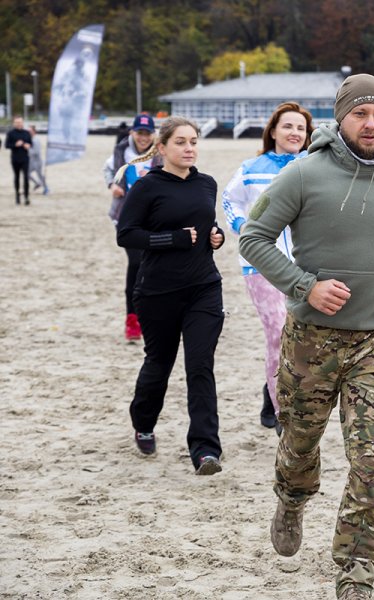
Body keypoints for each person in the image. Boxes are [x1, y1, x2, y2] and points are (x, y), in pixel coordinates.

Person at [239, 74, 374, 600]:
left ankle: (355, 576)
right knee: (300, 445)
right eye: (360, 114)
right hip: (310, 342)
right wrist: (304, 285)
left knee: (370, 462)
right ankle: (291, 498)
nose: (370, 124)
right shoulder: (305, 174)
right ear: (340, 118)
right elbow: (253, 237)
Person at [116, 116, 226, 476]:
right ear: (161, 148)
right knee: (159, 365)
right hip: (158, 292)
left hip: (203, 288)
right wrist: (172, 239)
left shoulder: (207, 184)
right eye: (180, 142)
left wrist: (216, 236)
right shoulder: (147, 187)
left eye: (193, 141)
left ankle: (206, 450)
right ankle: (144, 423)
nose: (189, 147)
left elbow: (206, 225)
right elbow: (127, 234)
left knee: (200, 366)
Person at [222, 101, 313, 432]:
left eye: (301, 128)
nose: (294, 132)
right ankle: (282, 412)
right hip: (260, 265)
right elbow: (229, 199)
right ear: (273, 130)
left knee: (303, 337)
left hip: (307, 265)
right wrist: (243, 227)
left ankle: (271, 391)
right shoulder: (251, 167)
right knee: (278, 332)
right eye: (288, 126)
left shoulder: (314, 166)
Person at [104, 114, 159, 342]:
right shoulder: (121, 153)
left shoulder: (160, 154)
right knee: (136, 264)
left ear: (153, 135)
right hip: (126, 218)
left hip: (155, 219)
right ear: (132, 133)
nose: (144, 138)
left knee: (154, 268)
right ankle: (132, 318)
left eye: (147, 133)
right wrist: (112, 185)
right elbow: (108, 171)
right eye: (140, 133)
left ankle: (155, 316)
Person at [5, 116, 31, 205]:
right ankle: (17, 195)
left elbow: (31, 143)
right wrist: (15, 145)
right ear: (14, 123)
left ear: (23, 123)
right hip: (15, 158)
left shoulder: (27, 133)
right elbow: (7, 145)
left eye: (20, 122)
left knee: (26, 178)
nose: (19, 124)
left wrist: (28, 146)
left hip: (25, 158)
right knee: (17, 177)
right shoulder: (10, 133)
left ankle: (26, 196)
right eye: (17, 122)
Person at [27, 126, 49, 195]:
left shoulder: (36, 140)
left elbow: (36, 152)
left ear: (34, 132)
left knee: (40, 175)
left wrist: (27, 150)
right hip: (31, 161)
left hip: (37, 161)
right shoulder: (29, 139)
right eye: (28, 131)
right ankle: (37, 183)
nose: (29, 132)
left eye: (30, 131)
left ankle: (46, 188)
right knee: (26, 173)